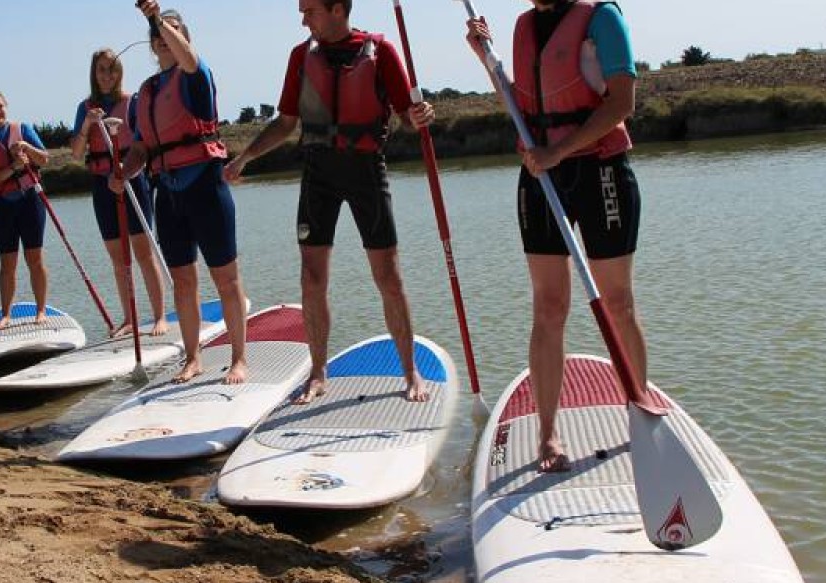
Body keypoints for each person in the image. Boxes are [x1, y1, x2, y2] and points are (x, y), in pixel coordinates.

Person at [466, 0, 648, 472]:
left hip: (600, 171)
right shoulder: (525, 26)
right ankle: (548, 436)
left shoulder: (601, 17)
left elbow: (622, 102)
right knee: (548, 306)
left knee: (618, 302)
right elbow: (521, 103)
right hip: (542, 177)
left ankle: (640, 410)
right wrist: (486, 60)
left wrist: (560, 150)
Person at [224, 0, 435, 404]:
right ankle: (318, 374)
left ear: (338, 8)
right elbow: (286, 122)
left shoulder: (380, 51)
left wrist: (419, 114)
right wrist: (244, 157)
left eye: (310, 10)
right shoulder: (301, 56)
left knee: (388, 277)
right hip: (318, 173)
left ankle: (411, 373)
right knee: (311, 278)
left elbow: (407, 115)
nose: (303, 18)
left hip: (366, 171)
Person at [111, 2, 249, 384]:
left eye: (172, 31)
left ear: (184, 39)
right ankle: (193, 357)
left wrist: (156, 18)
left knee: (226, 279)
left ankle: (239, 359)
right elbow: (141, 148)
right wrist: (122, 173)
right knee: (184, 281)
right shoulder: (145, 93)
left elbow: (188, 59)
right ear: (154, 47)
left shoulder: (195, 74)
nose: (164, 37)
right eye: (158, 35)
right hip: (168, 194)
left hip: (205, 187)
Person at [70, 48, 169, 338]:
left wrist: (126, 170)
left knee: (143, 252)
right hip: (102, 184)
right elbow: (76, 154)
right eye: (101, 69)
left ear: (120, 72)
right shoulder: (84, 108)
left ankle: (160, 316)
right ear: (94, 73)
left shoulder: (133, 103)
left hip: (132, 179)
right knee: (118, 257)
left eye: (112, 69)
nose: (107, 75)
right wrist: (88, 123)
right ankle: (129, 319)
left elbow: (145, 144)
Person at [0, 91, 51, 330]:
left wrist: (27, 148)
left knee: (35, 258)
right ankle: (6, 314)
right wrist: (13, 167)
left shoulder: (23, 129)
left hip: (30, 201)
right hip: (4, 205)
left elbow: (44, 159)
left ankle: (41, 310)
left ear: (6, 107)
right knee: (8, 263)